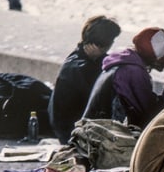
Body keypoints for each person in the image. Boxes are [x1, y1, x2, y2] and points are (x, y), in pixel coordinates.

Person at [82, 27, 164, 130]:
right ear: (159, 59)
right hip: (101, 137)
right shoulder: (133, 71)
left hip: (91, 131)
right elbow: (153, 115)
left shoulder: (121, 62)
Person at [48, 15, 121, 143]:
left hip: (69, 126)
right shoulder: (80, 68)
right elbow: (96, 101)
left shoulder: (80, 56)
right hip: (72, 131)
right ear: (103, 44)